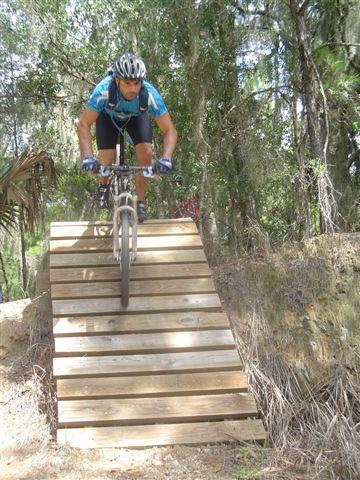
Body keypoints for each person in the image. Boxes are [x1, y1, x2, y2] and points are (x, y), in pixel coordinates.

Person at [77, 52, 178, 222]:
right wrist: (88, 157)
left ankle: (140, 202)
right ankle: (103, 186)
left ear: (142, 82)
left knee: (146, 152)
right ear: (116, 80)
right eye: (127, 83)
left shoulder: (149, 96)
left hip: (136, 117)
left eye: (136, 83)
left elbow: (170, 130)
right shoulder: (103, 91)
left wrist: (166, 158)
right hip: (108, 117)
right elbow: (83, 124)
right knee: (106, 158)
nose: (132, 89)